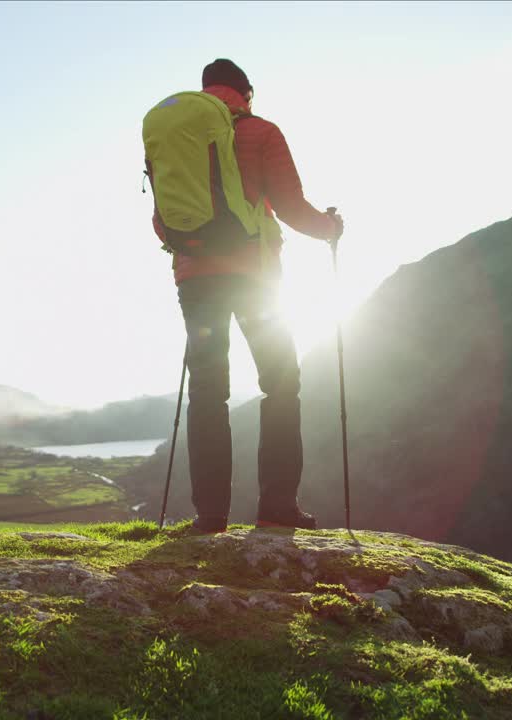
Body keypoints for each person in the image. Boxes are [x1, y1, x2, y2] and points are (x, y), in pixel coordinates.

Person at [150, 59, 345, 532]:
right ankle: (277, 506)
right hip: (256, 276)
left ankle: (210, 515)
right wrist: (331, 228)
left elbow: (161, 215)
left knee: (208, 392)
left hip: (194, 277)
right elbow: (292, 206)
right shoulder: (260, 132)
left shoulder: (178, 134)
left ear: (205, 93)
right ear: (247, 93)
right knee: (280, 384)